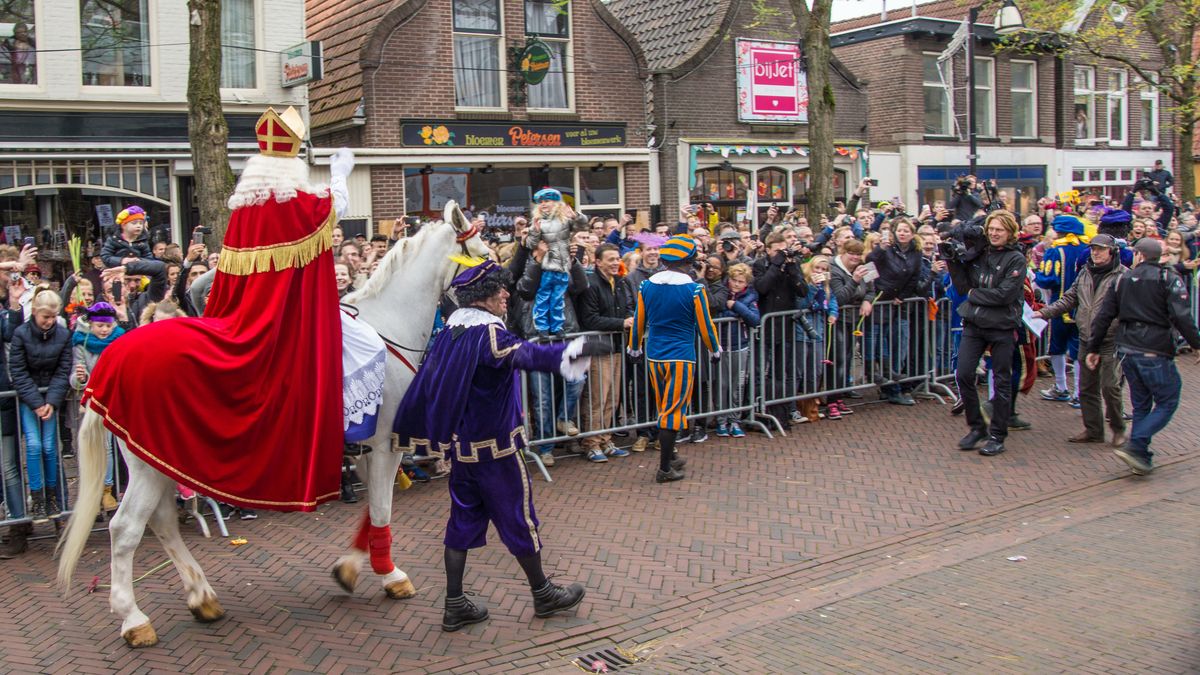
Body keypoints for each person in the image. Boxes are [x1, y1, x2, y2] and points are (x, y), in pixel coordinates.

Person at [81, 107, 355, 511]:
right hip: (279, 327)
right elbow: (331, 208)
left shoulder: (243, 212)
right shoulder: (295, 204)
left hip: (236, 315)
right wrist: (338, 174)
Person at [392, 259, 600, 631]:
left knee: (461, 522)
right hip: (498, 451)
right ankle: (543, 594)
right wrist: (575, 350)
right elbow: (526, 354)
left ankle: (455, 603)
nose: (506, 294)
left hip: (463, 451)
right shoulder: (488, 333)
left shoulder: (451, 333)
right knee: (520, 520)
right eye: (500, 289)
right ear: (483, 296)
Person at [1087, 238, 1200, 475]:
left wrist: (1093, 348)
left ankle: (1140, 456)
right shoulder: (1167, 279)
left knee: (1141, 405)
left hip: (1127, 350)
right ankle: (1136, 443)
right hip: (1155, 350)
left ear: (1138, 255)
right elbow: (1183, 317)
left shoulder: (1121, 280)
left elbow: (1103, 317)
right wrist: (1196, 344)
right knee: (1168, 399)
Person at [627, 235, 721, 483]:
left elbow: (639, 321)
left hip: (654, 354)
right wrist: (714, 349)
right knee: (673, 411)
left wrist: (634, 347)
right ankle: (665, 468)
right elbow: (705, 325)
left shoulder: (647, 286)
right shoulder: (694, 289)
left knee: (664, 407)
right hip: (681, 355)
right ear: (689, 261)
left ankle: (672, 455)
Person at [947, 211, 1028, 457]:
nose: (993, 233)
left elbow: (1005, 294)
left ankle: (997, 434)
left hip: (1002, 325)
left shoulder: (1016, 259)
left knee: (1002, 381)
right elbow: (962, 286)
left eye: (999, 230)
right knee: (963, 374)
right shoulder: (980, 253)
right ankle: (977, 427)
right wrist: (953, 261)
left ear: (1010, 232)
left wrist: (974, 295)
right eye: (991, 228)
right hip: (974, 322)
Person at [1038, 234, 1127, 446]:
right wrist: (1044, 313)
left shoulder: (1123, 276)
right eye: (1093, 249)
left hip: (1110, 341)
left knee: (1110, 386)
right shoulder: (1085, 272)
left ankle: (1118, 429)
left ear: (1112, 251)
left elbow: (1130, 308)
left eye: (1101, 249)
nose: (1095, 253)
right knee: (1086, 388)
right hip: (1087, 339)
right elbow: (1070, 298)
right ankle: (1093, 430)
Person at [9, 288, 73, 521]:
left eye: (53, 317)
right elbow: (18, 370)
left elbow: (63, 370)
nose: (49, 322)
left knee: (49, 447)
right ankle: (37, 497)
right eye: (45, 317)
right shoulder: (21, 334)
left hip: (50, 397)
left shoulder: (63, 335)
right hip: (29, 397)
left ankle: (52, 496)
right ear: (35, 312)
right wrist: (37, 402)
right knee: (34, 446)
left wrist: (51, 402)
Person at [577, 244, 635, 462]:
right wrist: (623, 323)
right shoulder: (591, 285)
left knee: (613, 397)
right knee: (596, 398)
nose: (615, 263)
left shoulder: (619, 283)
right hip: (599, 347)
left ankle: (606, 438)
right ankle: (591, 442)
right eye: (610, 259)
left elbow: (628, 306)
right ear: (598, 261)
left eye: (617, 258)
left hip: (617, 346)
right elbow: (589, 319)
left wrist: (629, 317)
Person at [69, 302, 126, 511]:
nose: (104, 330)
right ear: (91, 324)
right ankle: (94, 491)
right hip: (93, 403)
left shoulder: (120, 340)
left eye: (107, 326)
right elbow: (74, 379)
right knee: (93, 447)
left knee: (110, 446)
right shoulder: (81, 343)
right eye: (99, 326)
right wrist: (81, 378)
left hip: (116, 401)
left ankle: (108, 489)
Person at [1035, 214, 1090, 404]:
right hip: (1085, 307)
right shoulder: (1089, 249)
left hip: (1061, 306)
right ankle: (1079, 393)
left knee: (1057, 347)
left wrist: (1037, 277)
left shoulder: (1055, 251)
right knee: (1078, 349)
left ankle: (1061, 387)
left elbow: (1048, 279)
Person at [525, 188, 580, 337]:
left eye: (547, 201)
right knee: (543, 298)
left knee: (558, 299)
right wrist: (535, 231)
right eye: (541, 202)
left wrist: (576, 217)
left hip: (562, 267)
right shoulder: (537, 223)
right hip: (547, 266)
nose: (543, 204)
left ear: (555, 203)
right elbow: (529, 244)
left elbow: (581, 227)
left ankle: (557, 327)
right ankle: (542, 327)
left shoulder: (565, 220)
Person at [714, 263, 758, 437]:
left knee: (737, 385)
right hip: (721, 345)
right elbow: (715, 314)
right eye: (734, 280)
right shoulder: (721, 293)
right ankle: (721, 421)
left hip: (740, 345)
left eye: (741, 281)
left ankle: (735, 420)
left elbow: (755, 319)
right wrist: (735, 314)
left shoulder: (750, 296)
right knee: (721, 385)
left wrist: (737, 307)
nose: (737, 284)